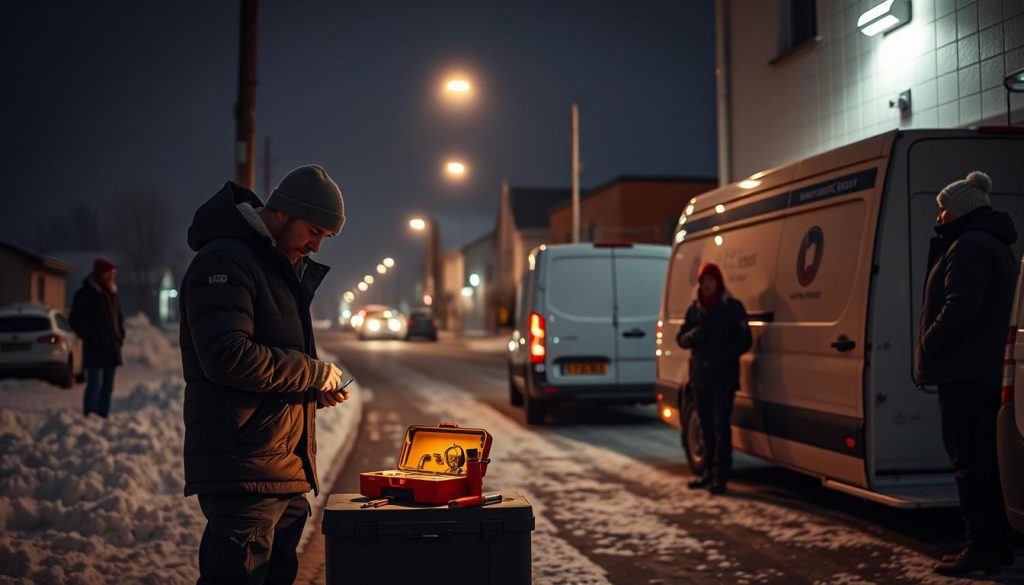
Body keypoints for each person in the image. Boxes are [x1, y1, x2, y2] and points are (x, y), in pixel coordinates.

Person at [179, 165, 350, 584]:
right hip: (244, 469)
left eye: (323, 238)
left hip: (277, 468)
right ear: (284, 213)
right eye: (313, 231)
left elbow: (270, 360)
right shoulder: (226, 261)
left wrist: (311, 392)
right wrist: (311, 373)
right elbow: (226, 356)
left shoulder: (273, 264)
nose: (315, 246)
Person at [914, 171, 1017, 576]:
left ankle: (983, 547)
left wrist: (929, 343)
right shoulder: (991, 243)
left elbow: (960, 307)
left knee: (971, 462)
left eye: (943, 209)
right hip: (982, 372)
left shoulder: (969, 246)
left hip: (967, 375)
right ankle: (995, 544)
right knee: (984, 462)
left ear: (958, 211)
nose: (938, 217)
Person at [676, 262, 752, 495]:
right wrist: (691, 336)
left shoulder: (732, 307)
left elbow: (745, 340)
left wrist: (725, 356)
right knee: (706, 426)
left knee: (721, 426)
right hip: (700, 378)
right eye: (703, 281)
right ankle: (707, 472)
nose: (706, 285)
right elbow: (680, 338)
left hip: (723, 377)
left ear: (718, 282)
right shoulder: (694, 309)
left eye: (710, 280)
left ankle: (720, 475)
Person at [69, 257, 125, 418]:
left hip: (111, 348)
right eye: (109, 273)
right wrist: (92, 337)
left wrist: (119, 336)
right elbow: (75, 321)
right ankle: (90, 416)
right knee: (95, 384)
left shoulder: (112, 293)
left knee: (108, 386)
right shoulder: (85, 294)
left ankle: (103, 416)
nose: (112, 276)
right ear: (101, 274)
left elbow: (119, 318)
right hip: (95, 349)